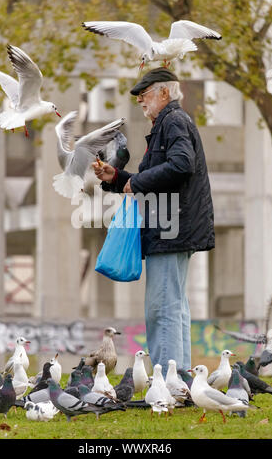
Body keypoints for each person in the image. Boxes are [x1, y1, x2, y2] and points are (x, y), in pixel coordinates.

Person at [92, 67, 215, 377]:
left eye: (143, 96)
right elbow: (159, 176)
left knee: (162, 309)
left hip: (170, 228)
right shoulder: (171, 122)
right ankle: (180, 379)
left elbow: (181, 165)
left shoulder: (172, 121)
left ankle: (166, 380)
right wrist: (118, 179)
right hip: (174, 227)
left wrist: (136, 183)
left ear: (164, 93)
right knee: (174, 306)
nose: (141, 103)